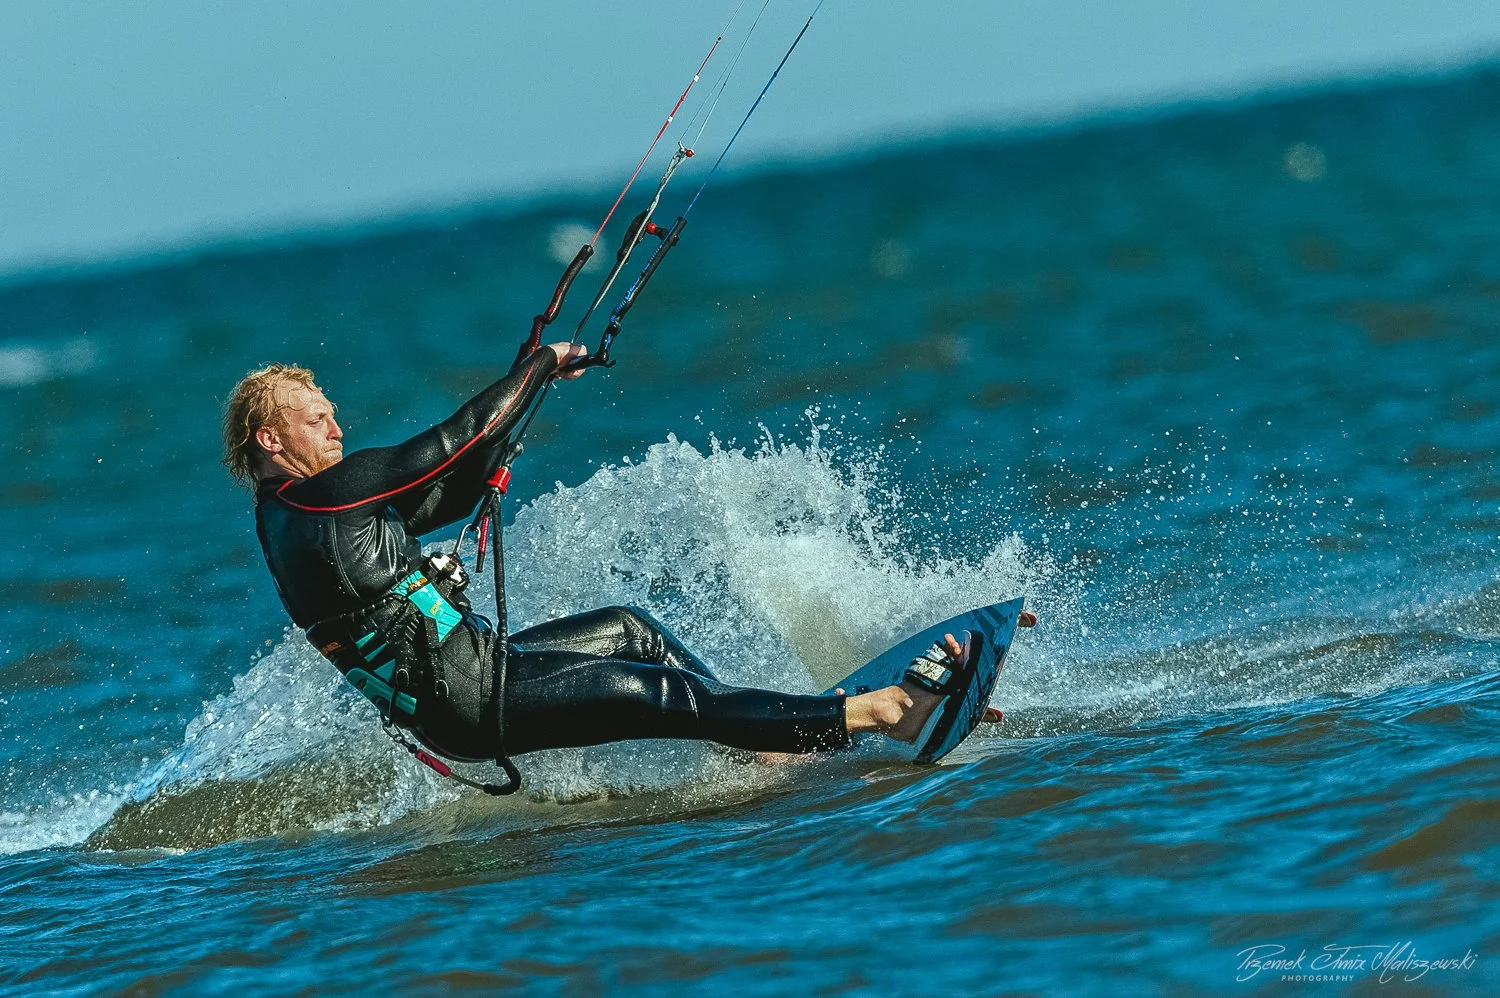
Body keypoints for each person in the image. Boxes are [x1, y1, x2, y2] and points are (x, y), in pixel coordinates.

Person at [223, 342, 983, 785]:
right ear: (270, 437)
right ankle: (883, 712)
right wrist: (538, 364)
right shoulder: (320, 499)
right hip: (466, 694)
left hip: (469, 672)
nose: (336, 425)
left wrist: (506, 434)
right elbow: (448, 440)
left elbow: (443, 491)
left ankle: (761, 745)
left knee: (631, 630)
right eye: (316, 417)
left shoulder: (293, 519)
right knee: (653, 693)